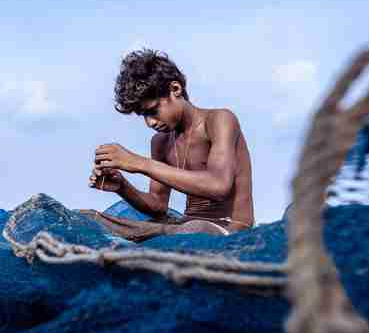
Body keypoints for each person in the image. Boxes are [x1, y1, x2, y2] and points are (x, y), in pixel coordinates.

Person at [84, 49, 254, 242]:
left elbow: (218, 185)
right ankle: (136, 232)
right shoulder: (161, 141)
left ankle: (138, 233)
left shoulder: (219, 120)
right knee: (85, 218)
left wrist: (141, 163)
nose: (150, 123)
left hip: (230, 230)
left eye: (153, 111)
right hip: (184, 226)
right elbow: (158, 205)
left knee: (190, 228)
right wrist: (122, 186)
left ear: (175, 89)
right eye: (143, 116)